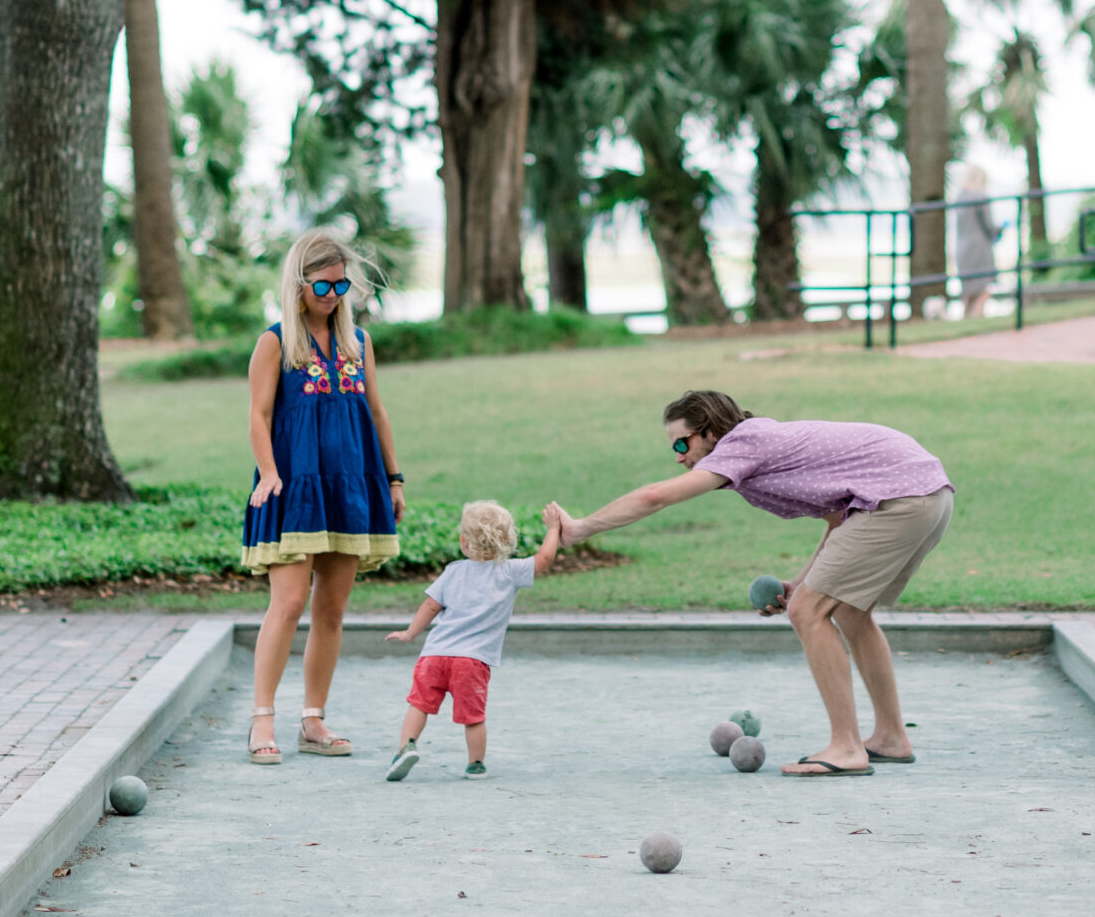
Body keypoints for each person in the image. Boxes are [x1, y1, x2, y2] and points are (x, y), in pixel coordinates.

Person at [545, 390, 954, 777]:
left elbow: (656, 497)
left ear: (709, 432)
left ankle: (847, 747)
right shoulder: (757, 446)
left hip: (901, 498)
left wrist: (581, 529)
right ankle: (891, 737)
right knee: (847, 611)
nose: (678, 458)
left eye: (681, 444)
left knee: (808, 612)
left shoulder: (741, 445)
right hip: (926, 495)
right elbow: (838, 519)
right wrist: (800, 581)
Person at [242, 230, 404, 765]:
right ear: (299, 282)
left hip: (352, 483)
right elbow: (259, 416)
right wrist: (267, 473)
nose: (333, 294)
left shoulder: (358, 344)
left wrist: (393, 478)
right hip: (295, 487)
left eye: (342, 284)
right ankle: (261, 720)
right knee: (287, 603)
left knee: (331, 609)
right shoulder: (275, 342)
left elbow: (377, 413)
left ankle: (313, 719)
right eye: (323, 284)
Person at [381, 500, 561, 780]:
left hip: (435, 655)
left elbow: (430, 606)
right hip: (473, 661)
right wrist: (554, 528)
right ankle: (475, 764)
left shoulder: (453, 571)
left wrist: (410, 633)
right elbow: (545, 559)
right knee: (473, 717)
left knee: (419, 704)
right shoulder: (510, 572)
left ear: (464, 543)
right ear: (508, 541)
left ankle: (406, 748)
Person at [953, 165, 1008, 320]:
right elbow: (988, 226)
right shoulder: (981, 197)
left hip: (962, 248)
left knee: (969, 292)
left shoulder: (959, 197)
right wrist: (1001, 229)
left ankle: (966, 320)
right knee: (984, 289)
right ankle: (977, 318)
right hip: (979, 247)